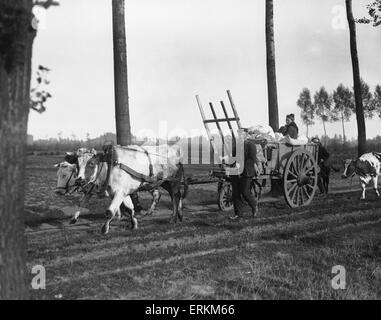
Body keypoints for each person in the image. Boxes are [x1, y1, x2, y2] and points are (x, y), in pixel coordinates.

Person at [230, 128, 259, 220]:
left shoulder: (251, 145)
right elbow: (233, 157)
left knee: (245, 191)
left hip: (247, 171)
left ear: (246, 135)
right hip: (237, 171)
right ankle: (238, 214)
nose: (240, 136)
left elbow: (252, 159)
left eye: (242, 134)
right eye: (239, 135)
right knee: (235, 193)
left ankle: (254, 205)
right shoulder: (236, 146)